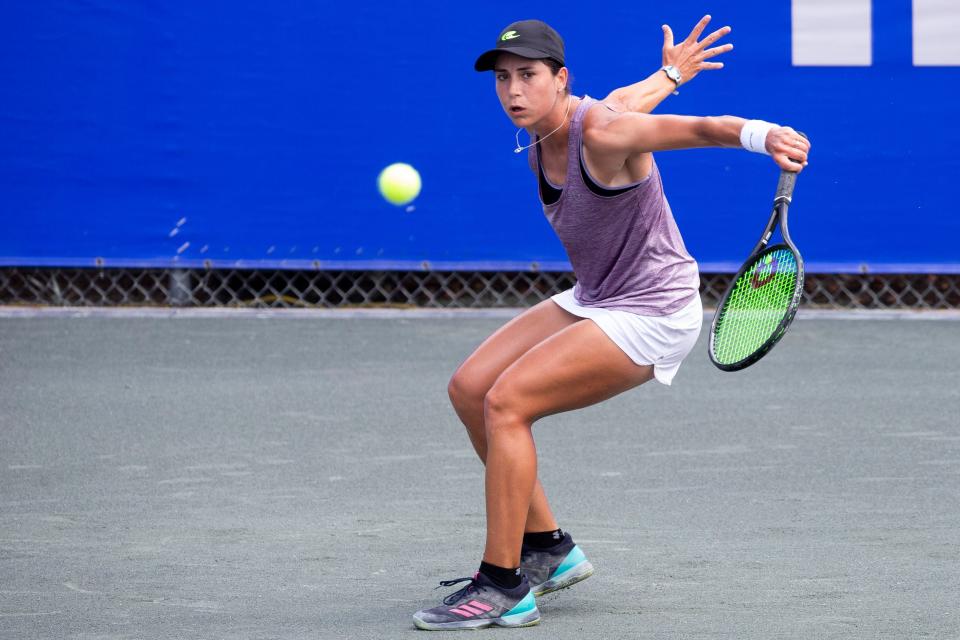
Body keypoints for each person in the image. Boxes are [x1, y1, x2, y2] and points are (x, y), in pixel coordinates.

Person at [413, 18, 810, 631]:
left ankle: (502, 585)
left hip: (653, 310)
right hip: (598, 294)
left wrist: (761, 135)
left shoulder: (599, 131)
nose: (513, 90)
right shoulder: (558, 126)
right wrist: (673, 72)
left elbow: (695, 128)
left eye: (528, 76)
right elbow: (641, 94)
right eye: (503, 79)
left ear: (561, 79)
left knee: (507, 403)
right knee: (469, 389)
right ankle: (548, 548)